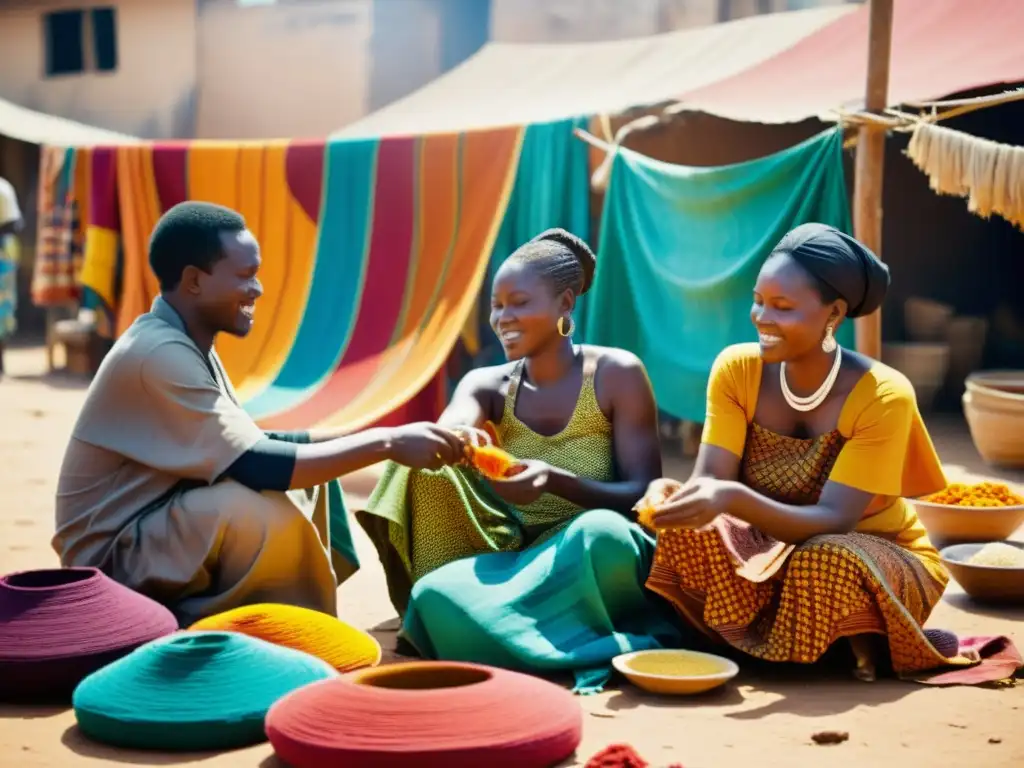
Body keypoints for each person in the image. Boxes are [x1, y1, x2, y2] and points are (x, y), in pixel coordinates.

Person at [53, 201, 465, 627]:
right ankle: (246, 628)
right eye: (245, 275)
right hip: (110, 562)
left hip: (150, 530)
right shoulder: (158, 353)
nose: (258, 289)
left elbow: (260, 446)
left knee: (311, 478)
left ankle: (281, 618)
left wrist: (390, 435)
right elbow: (256, 464)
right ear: (194, 281)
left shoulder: (185, 342)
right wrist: (388, 444)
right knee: (261, 512)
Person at [640, 222, 981, 682]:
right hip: (765, 548)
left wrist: (728, 499)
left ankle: (842, 637)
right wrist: (675, 493)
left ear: (834, 313)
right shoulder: (736, 370)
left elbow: (833, 520)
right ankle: (798, 642)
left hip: (869, 554)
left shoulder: (883, 395)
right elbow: (712, 482)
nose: (761, 317)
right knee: (689, 531)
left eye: (782, 307)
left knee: (823, 557)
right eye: (758, 300)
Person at [359, 229, 682, 692]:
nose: (502, 317)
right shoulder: (486, 383)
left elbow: (641, 493)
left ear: (565, 304)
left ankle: (490, 627)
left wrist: (555, 480)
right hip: (505, 551)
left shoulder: (616, 373)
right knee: (423, 483)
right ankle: (494, 616)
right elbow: (453, 425)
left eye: (519, 303)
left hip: (583, 557)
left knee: (603, 533)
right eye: (496, 304)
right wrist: (461, 437)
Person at [0, 175, 23, 378]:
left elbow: (13, 224)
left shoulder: (3, 188)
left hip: (3, 255)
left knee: (4, 310)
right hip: (6, 253)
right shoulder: (5, 187)